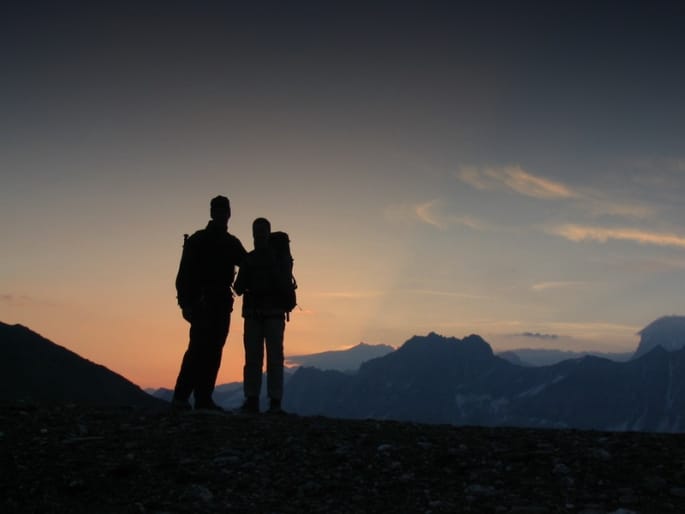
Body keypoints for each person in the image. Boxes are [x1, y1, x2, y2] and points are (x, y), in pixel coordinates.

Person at [171, 195, 247, 411]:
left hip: (221, 302)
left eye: (224, 210)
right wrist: (185, 303)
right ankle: (182, 397)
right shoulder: (198, 240)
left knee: (214, 350)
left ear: (229, 213)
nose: (222, 213)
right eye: (218, 209)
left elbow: (246, 264)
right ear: (213, 213)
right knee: (198, 349)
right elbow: (183, 274)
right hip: (202, 303)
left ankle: (203, 398)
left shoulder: (230, 242)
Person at [233, 217, 288, 414]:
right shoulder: (277, 258)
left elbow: (238, 289)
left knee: (254, 359)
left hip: (253, 315)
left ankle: (252, 400)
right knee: (274, 359)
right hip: (273, 315)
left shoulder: (249, 258)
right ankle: (274, 403)